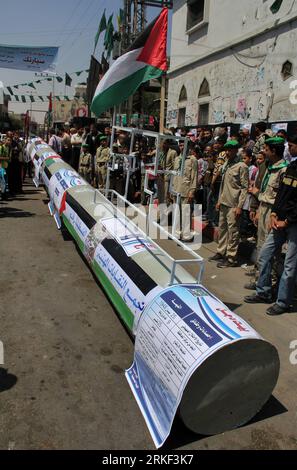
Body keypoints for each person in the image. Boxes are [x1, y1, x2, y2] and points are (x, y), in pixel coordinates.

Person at [244, 134, 297, 315]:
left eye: (291, 145)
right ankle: (264, 292)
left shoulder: (285, 167)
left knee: (290, 266)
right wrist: (274, 213)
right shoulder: (291, 168)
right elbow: (281, 195)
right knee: (265, 254)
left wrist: (287, 221)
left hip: (292, 224)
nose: (289, 148)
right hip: (278, 219)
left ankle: (283, 302)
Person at [209, 140, 249, 268]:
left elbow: (244, 188)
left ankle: (231, 258)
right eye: (226, 149)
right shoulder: (226, 164)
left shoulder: (242, 166)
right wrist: (219, 200)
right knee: (222, 229)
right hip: (224, 202)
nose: (227, 152)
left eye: (230, 150)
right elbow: (223, 184)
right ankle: (221, 252)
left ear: (236, 150)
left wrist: (239, 206)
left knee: (233, 231)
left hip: (234, 204)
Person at [172, 146, 198, 242]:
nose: (182, 147)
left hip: (186, 190)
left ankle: (186, 235)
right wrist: (172, 189)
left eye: (184, 144)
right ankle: (176, 233)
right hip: (176, 190)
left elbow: (194, 176)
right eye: (181, 144)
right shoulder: (177, 158)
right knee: (176, 212)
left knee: (186, 213)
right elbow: (174, 174)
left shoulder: (192, 160)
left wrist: (192, 191)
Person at [240, 149, 258, 239]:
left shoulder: (253, 169)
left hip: (250, 196)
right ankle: (243, 232)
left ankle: (247, 233)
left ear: (250, 158)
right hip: (243, 195)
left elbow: (252, 183)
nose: (243, 160)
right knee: (243, 215)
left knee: (247, 215)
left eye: (244, 158)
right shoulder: (242, 167)